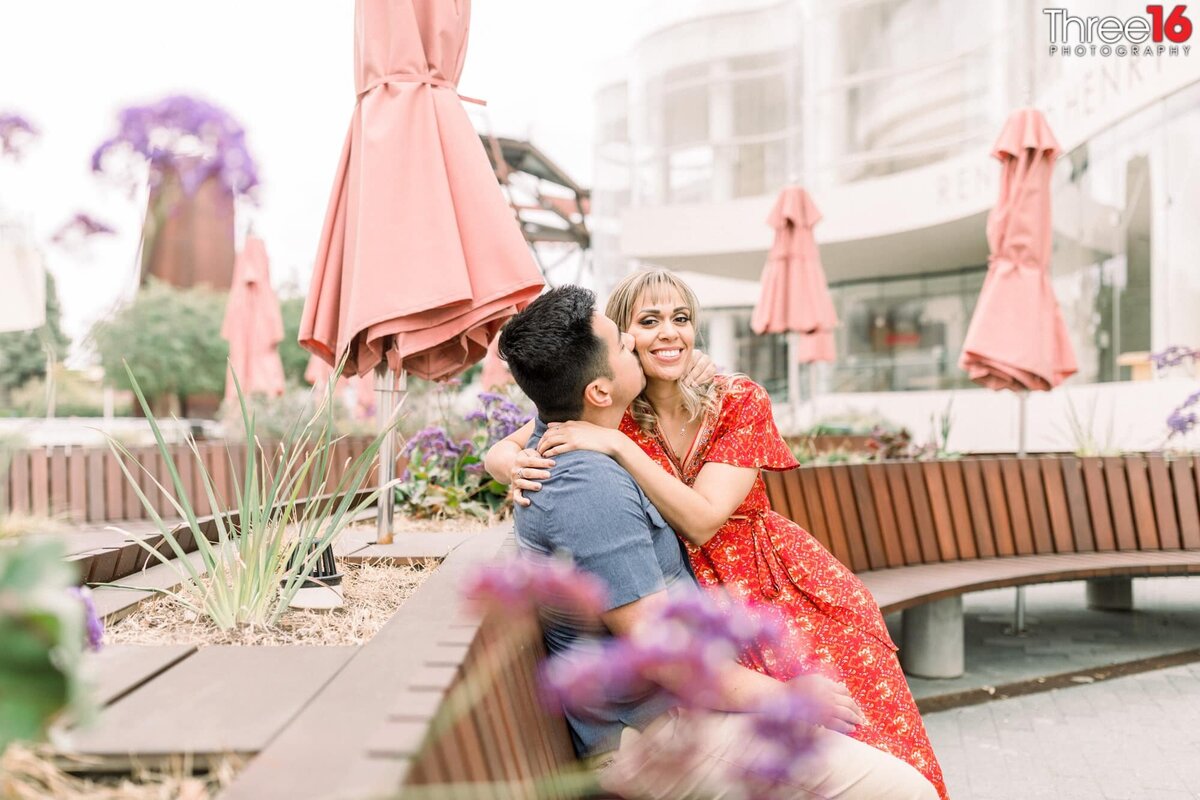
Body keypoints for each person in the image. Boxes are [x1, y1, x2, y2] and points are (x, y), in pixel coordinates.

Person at [487, 270, 949, 800]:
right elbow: (532, 432)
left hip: (775, 589)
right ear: (621, 347)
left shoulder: (690, 408)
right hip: (699, 638)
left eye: (681, 319)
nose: (663, 335)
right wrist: (507, 461)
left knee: (875, 733)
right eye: (642, 325)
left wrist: (618, 448)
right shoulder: (609, 425)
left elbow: (704, 518)